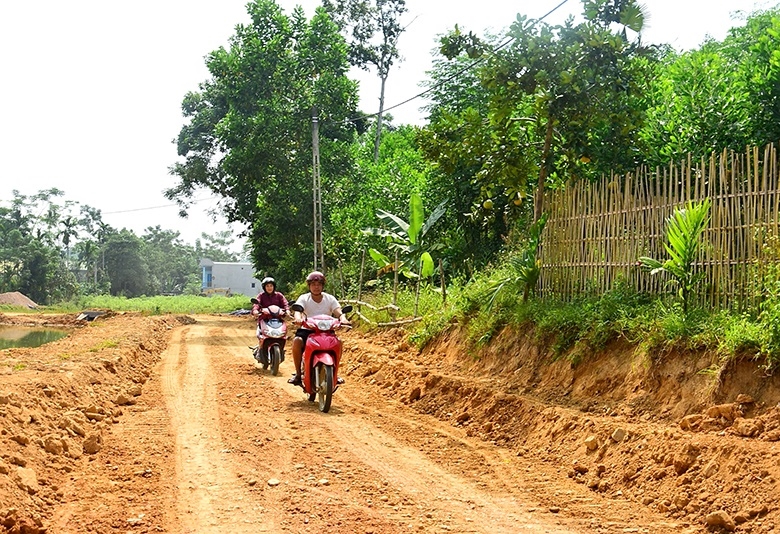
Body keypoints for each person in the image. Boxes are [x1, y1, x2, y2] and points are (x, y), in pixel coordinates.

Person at [288, 270, 350, 385]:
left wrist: (343, 318)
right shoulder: (304, 298)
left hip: (326, 332)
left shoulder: (329, 298)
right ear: (309, 286)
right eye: (313, 285)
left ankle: (335, 373)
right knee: (297, 341)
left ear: (322, 286)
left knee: (339, 342)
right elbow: (298, 310)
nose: (316, 287)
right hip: (307, 330)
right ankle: (297, 374)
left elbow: (338, 311)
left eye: (319, 285)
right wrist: (298, 318)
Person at [252, 277, 289, 362]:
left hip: (278, 320)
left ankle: (281, 350)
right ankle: (259, 349)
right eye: (267, 286)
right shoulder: (261, 296)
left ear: (274, 286)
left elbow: (285, 304)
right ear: (264, 287)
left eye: (271, 286)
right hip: (264, 320)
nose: (269, 287)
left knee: (284, 334)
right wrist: (255, 311)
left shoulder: (279, 295)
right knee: (260, 334)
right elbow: (256, 304)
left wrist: (287, 310)